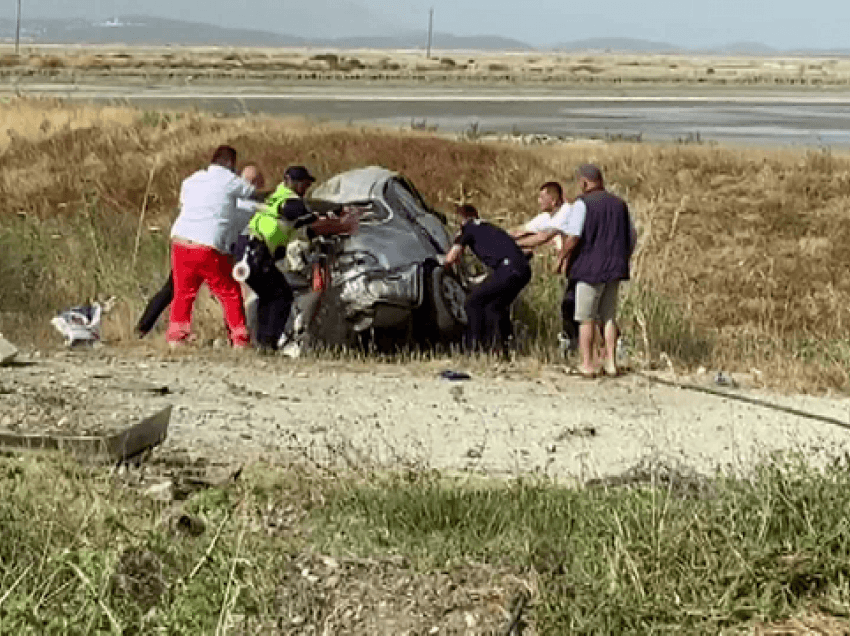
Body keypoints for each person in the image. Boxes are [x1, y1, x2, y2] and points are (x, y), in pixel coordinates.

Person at [232, 165, 358, 352]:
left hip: (248, 251)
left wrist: (335, 226)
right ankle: (268, 344)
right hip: (256, 252)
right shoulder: (290, 202)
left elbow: (306, 229)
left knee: (270, 296)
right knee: (280, 295)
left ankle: (262, 342)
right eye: (306, 184)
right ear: (296, 183)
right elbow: (312, 215)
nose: (306, 189)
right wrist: (340, 213)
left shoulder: (278, 197)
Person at [135, 164, 265, 338]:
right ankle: (237, 337)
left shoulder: (219, 193)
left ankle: (143, 328)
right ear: (255, 184)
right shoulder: (250, 207)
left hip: (188, 244)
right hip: (216, 251)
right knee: (230, 294)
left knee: (176, 290)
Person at [166, 146, 266, 348]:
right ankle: (240, 339)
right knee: (228, 291)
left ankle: (176, 337)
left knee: (183, 291)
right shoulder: (229, 180)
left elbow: (183, 203)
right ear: (230, 163)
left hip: (181, 240)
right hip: (208, 244)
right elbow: (250, 192)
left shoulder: (192, 180)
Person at [556, 164, 636, 377]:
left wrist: (561, 258)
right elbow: (631, 237)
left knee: (586, 318)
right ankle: (611, 363)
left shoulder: (582, 204)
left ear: (583, 182)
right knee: (609, 316)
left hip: (589, 268)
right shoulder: (620, 204)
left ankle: (587, 364)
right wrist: (623, 258)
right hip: (615, 267)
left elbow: (573, 237)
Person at [444, 204, 531, 354]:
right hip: (522, 270)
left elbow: (450, 258)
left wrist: (444, 268)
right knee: (494, 306)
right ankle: (500, 348)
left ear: (462, 219)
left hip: (507, 269)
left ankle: (473, 348)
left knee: (473, 302)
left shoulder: (468, 228)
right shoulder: (490, 228)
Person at [512, 181, 580, 353]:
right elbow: (522, 230)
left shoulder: (567, 212)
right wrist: (499, 237)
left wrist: (512, 246)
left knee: (578, 306)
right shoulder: (546, 217)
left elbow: (542, 237)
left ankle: (604, 345)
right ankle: (573, 343)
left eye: (542, 197)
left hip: (582, 265)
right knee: (569, 305)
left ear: (553, 199)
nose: (538, 200)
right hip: (571, 269)